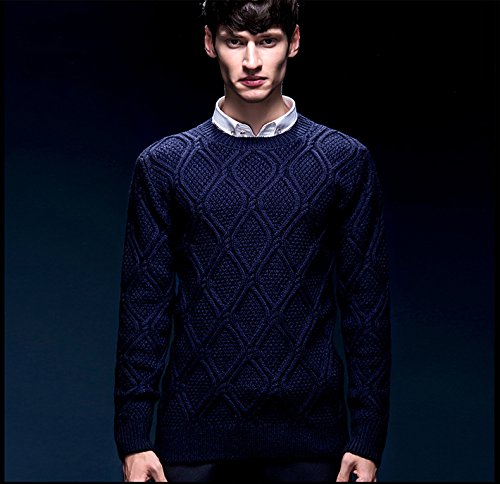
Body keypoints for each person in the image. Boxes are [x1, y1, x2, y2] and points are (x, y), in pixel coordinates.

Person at [113, 0, 391, 482]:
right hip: (193, 441)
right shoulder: (164, 166)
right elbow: (144, 306)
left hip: (310, 442)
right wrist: (134, 438)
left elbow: (366, 307)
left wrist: (367, 436)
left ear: (294, 42)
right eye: (234, 41)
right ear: (209, 43)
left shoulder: (343, 161)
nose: (251, 61)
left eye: (267, 41)